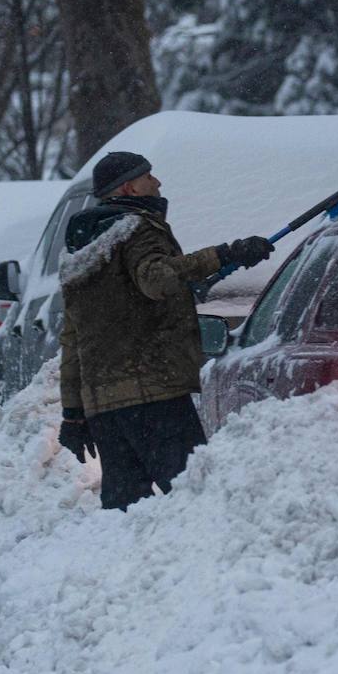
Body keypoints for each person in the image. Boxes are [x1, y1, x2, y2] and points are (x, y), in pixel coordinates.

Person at [56, 151, 274, 510]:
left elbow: (73, 338)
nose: (157, 183)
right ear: (127, 187)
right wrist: (223, 254)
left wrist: (74, 413)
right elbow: (156, 280)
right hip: (154, 396)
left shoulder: (80, 253)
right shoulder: (137, 228)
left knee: (124, 513)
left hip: (104, 408)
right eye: (148, 177)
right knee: (194, 500)